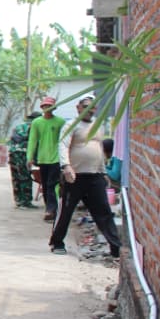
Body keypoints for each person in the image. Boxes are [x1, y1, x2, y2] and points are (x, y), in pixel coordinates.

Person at [49, 95, 122, 259]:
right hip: (74, 176)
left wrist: (103, 172)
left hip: (94, 176)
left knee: (103, 211)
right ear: (78, 108)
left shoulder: (98, 125)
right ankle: (57, 242)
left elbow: (100, 149)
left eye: (93, 107)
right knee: (66, 211)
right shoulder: (71, 125)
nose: (90, 110)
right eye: (86, 106)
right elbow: (63, 145)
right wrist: (66, 166)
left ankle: (115, 247)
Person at [28, 96, 66, 221]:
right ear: (42, 108)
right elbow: (32, 140)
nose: (47, 108)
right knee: (45, 185)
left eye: (49, 106)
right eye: (45, 106)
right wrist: (30, 157)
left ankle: (51, 209)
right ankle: (49, 209)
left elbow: (65, 140)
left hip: (56, 158)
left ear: (53, 108)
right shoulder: (37, 122)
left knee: (51, 184)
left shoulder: (60, 122)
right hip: (42, 158)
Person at [8, 113, 40, 208]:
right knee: (25, 178)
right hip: (23, 154)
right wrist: (36, 159)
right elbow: (35, 143)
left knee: (16, 178)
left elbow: (12, 139)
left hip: (13, 154)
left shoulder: (18, 127)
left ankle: (18, 201)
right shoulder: (34, 127)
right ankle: (26, 202)